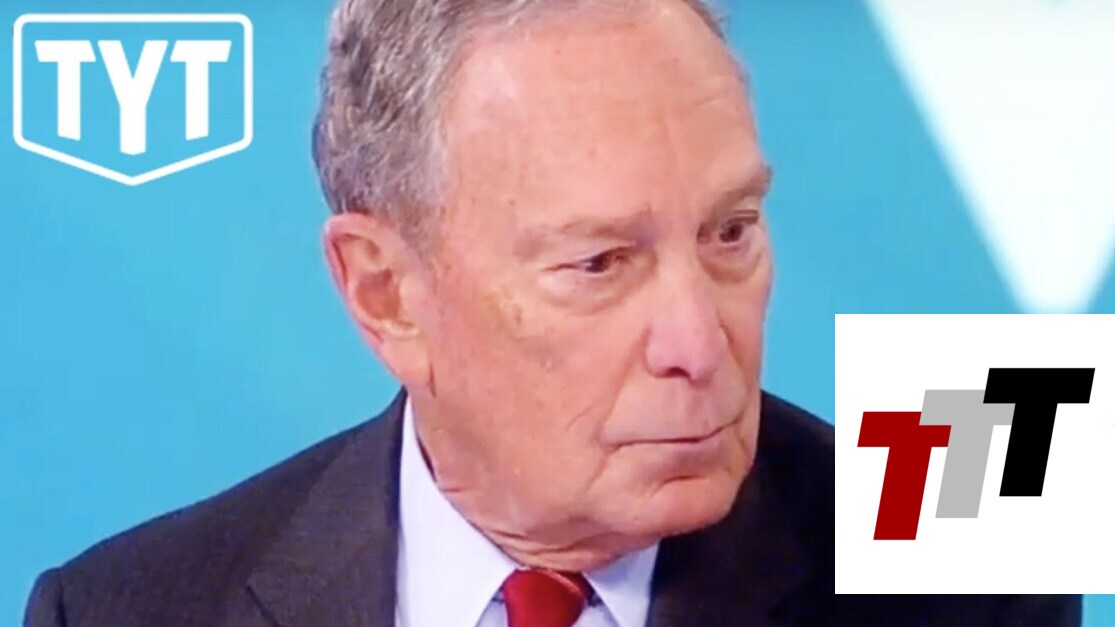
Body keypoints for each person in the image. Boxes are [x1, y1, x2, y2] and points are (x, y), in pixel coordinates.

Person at [24, 0, 1081, 625]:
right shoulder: (127, 608)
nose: (698, 344)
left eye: (729, 233)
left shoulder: (970, 569)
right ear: (385, 293)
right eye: (599, 263)